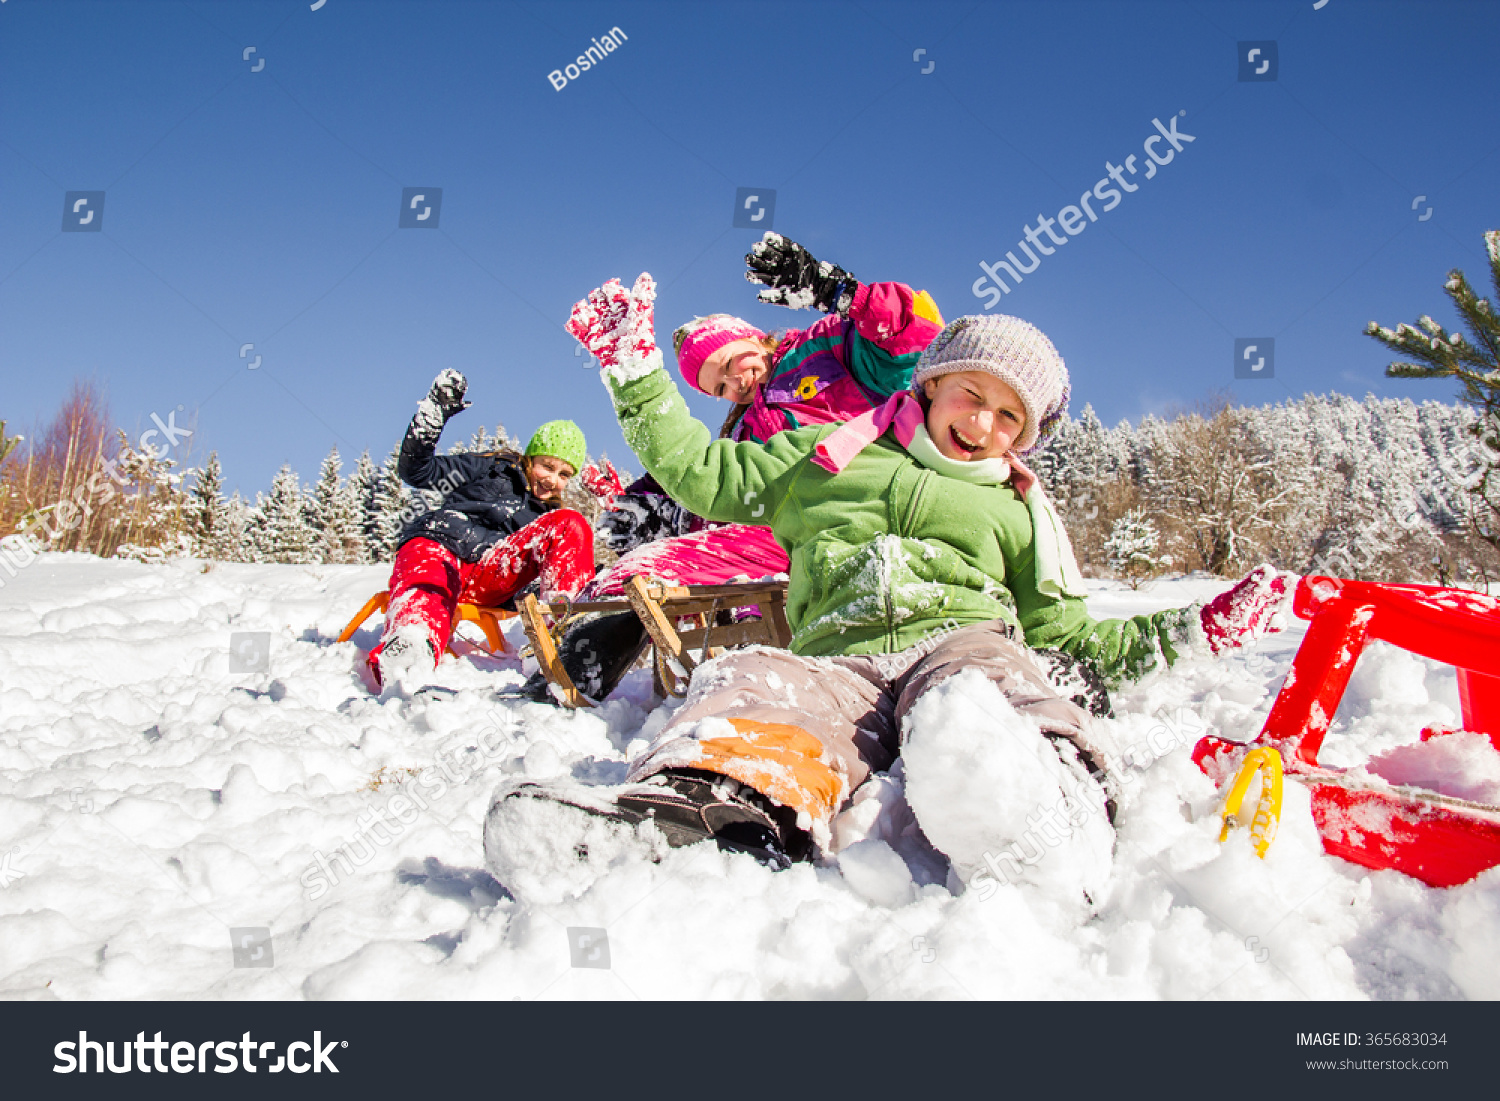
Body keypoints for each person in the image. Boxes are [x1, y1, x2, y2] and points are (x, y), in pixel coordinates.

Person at [485, 280, 1293, 903]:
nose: (983, 424)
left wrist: (1198, 627)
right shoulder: (831, 452)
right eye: (972, 394)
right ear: (934, 384)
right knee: (753, 680)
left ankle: (1045, 812)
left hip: (962, 639)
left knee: (988, 688)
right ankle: (689, 814)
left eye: (1010, 416)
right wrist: (635, 370)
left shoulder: (1016, 506)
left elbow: (1067, 635)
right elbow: (703, 474)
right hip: (841, 652)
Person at [506, 232, 947, 705]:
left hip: (849, 520)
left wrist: (838, 291)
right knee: (642, 572)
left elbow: (915, 340)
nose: (733, 384)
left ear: (752, 338)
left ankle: (569, 682)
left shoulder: (823, 350)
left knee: (652, 571)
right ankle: (559, 679)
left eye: (729, 364)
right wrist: (637, 502)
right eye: (717, 388)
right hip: (773, 537)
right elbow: (712, 484)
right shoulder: (741, 430)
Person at [367, 369, 595, 689]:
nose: (552, 480)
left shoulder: (548, 518)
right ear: (530, 457)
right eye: (547, 465)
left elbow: (541, 579)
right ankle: (412, 644)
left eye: (564, 473)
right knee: (428, 577)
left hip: (490, 573)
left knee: (572, 523)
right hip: (439, 546)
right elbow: (417, 472)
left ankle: (558, 643)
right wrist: (433, 416)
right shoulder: (491, 467)